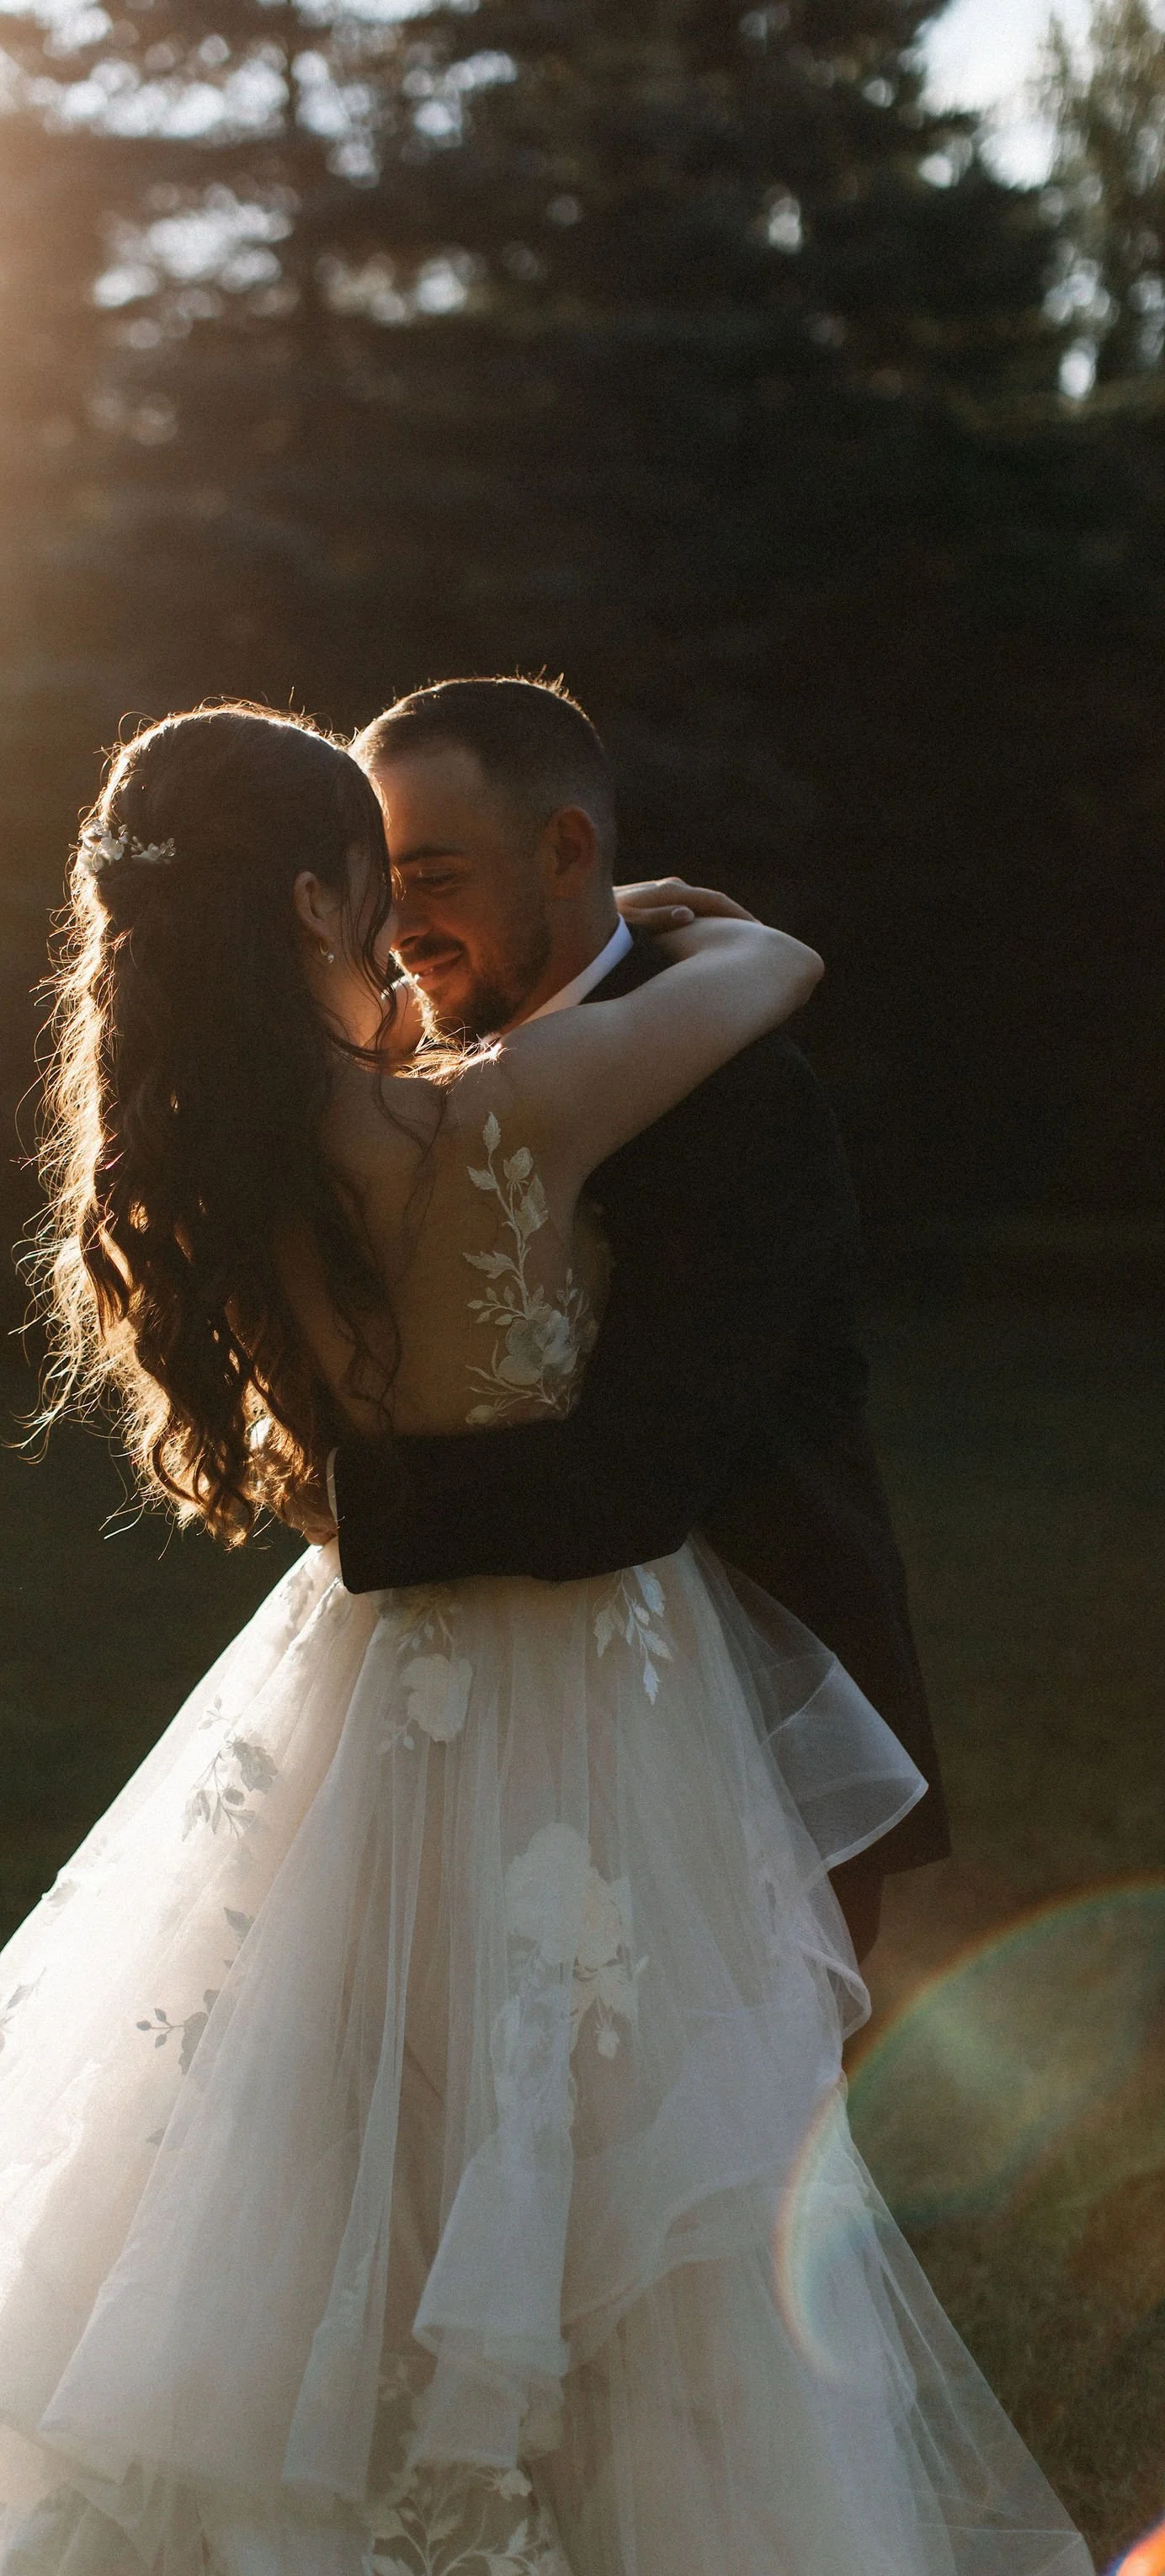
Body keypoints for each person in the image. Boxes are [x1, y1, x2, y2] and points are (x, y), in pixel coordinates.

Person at [0, 704, 1092, 2576]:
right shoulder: (489, 1115)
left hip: (355, 1684)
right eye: (375, 887)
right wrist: (692, 917)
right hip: (587, 1693)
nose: (406, 929)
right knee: (596, 2163)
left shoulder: (231, 1149)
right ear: (317, 899)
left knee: (318, 2137)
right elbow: (775, 967)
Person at [326, 677, 950, 1966]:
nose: (398, 929)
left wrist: (334, 1499)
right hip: (481, 1717)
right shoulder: (423, 1073)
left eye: (434, 875)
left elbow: (634, 1479)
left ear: (566, 850)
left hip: (743, 1736)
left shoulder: (732, 1086)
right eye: (378, 884)